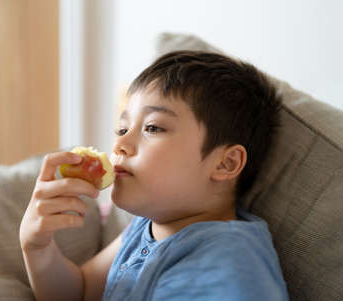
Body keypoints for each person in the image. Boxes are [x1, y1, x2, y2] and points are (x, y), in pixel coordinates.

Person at [19, 50, 290, 300]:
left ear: (225, 164)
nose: (120, 145)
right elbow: (81, 292)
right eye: (123, 129)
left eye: (153, 128)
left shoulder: (226, 259)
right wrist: (37, 247)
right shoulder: (148, 226)